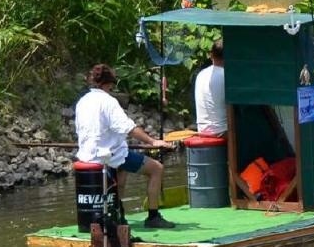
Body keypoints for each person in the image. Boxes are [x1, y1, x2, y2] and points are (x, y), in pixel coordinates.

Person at [74, 64, 176, 229]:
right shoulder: (108, 101)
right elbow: (128, 128)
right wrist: (153, 142)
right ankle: (153, 216)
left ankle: (118, 213)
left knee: (123, 166)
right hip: (107, 155)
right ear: (109, 83)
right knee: (156, 168)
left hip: (86, 153)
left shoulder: (82, 101)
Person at [194, 40, 227, 135]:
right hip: (221, 131)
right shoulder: (226, 76)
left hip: (202, 130)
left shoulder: (201, 74)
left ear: (211, 55)